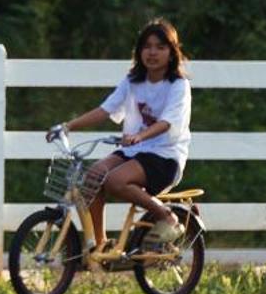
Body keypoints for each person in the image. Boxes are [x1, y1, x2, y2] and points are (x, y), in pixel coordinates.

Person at [46, 19, 192, 248]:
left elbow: (166, 123)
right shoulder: (133, 81)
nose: (152, 52)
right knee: (92, 177)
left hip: (165, 157)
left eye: (160, 47)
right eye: (147, 46)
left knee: (114, 181)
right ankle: (100, 244)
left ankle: (166, 216)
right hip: (134, 151)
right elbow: (106, 109)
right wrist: (67, 126)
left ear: (172, 53)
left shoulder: (178, 85)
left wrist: (140, 137)